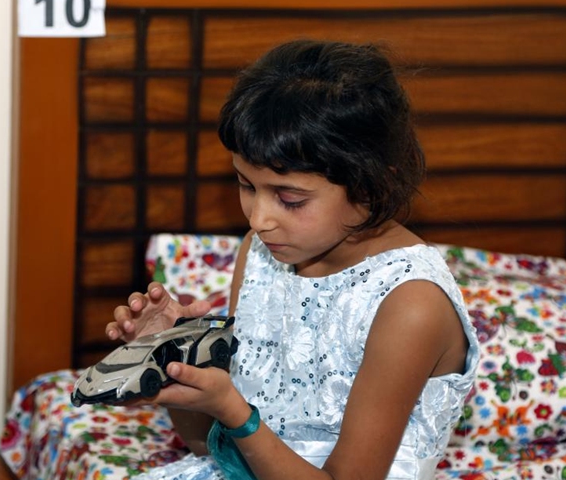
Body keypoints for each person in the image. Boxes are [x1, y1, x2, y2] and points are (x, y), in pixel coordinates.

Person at [105, 39, 479, 480]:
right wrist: (173, 359)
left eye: (289, 199)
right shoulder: (261, 255)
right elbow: (208, 444)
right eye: (246, 185)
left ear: (370, 187)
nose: (260, 219)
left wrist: (236, 411)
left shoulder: (410, 305)